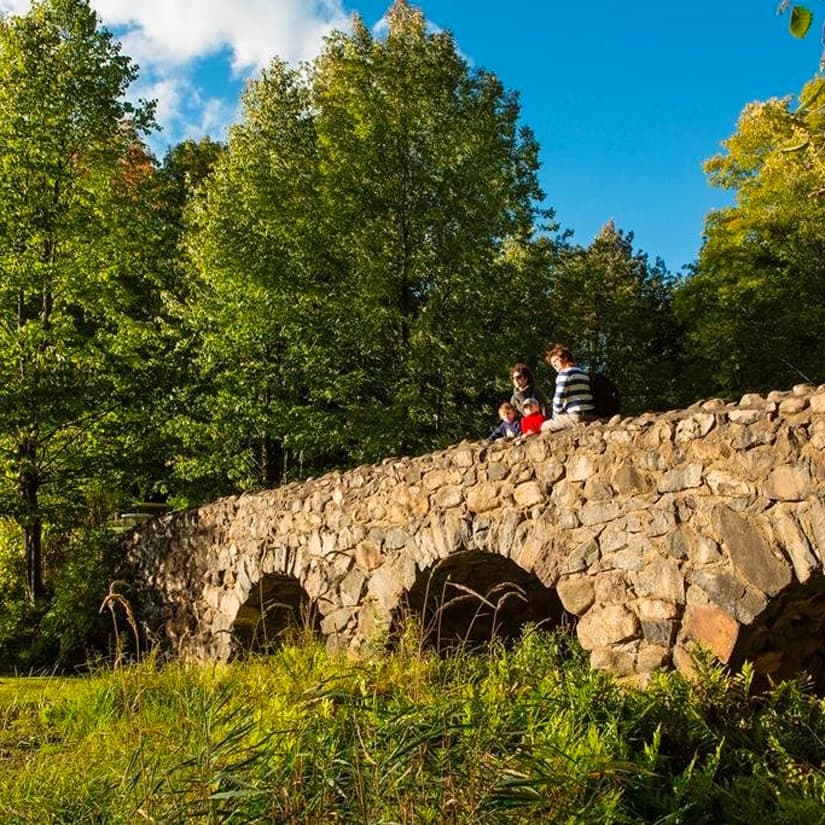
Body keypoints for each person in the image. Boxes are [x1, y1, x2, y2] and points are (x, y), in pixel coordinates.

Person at [540, 345, 597, 432]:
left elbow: (558, 401)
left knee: (544, 426)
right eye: (552, 364)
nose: (554, 365)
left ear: (565, 358)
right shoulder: (584, 373)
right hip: (592, 415)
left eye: (555, 361)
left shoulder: (564, 374)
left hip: (576, 417)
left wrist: (555, 417)